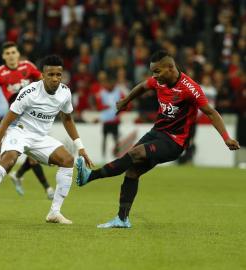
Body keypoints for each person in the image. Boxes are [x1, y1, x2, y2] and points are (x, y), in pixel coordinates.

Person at [76, 50, 240, 229]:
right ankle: (122, 219)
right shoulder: (158, 81)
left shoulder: (190, 88)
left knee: (135, 153)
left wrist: (226, 138)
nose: (155, 76)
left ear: (170, 67)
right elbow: (142, 87)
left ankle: (90, 176)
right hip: (157, 133)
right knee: (132, 171)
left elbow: (211, 112)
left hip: (175, 142)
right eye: (153, 72)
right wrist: (126, 101)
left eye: (157, 71)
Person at [0, 55, 93, 224]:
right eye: (51, 75)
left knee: (68, 160)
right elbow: (5, 122)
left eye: (58, 75)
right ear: (42, 75)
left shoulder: (65, 93)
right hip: (19, 132)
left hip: (40, 138)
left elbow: (67, 119)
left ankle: (54, 213)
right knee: (9, 160)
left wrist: (81, 148)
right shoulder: (29, 93)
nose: (55, 79)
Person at [0, 41, 54, 199]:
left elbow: (43, 81)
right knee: (28, 155)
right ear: (4, 56)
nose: (11, 55)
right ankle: (46, 188)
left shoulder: (27, 67)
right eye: (7, 53)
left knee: (32, 155)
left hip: (33, 115)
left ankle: (24, 178)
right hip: (15, 116)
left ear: (18, 54)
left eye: (13, 52)